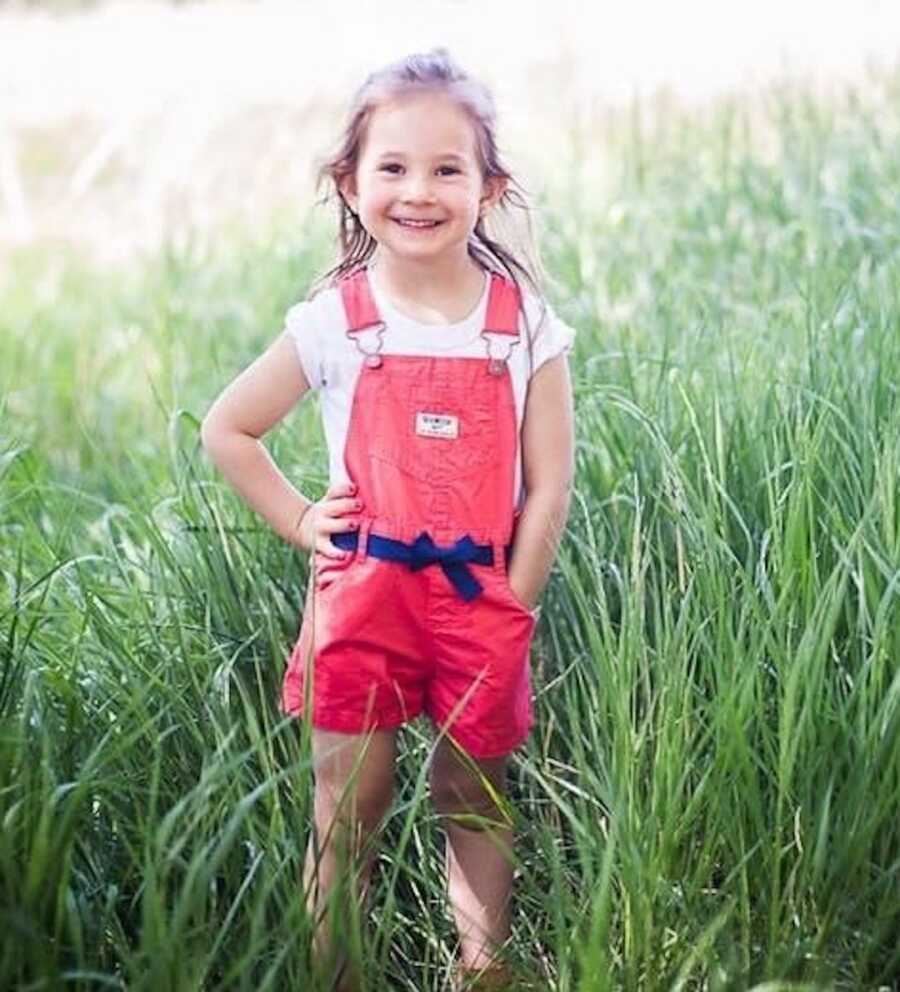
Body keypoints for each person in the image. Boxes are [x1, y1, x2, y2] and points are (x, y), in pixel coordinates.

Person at [200, 47, 575, 992]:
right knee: (347, 807)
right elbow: (229, 429)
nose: (420, 190)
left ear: (488, 187)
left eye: (448, 168)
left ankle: (484, 969)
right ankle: (339, 975)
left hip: (478, 598)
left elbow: (551, 482)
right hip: (362, 602)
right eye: (394, 168)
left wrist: (512, 599)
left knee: (473, 798)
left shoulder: (524, 324)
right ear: (351, 183)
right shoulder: (336, 319)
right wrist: (298, 521)